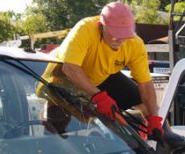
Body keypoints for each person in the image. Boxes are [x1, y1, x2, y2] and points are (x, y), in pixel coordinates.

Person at [49, 2, 175, 143]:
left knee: (149, 107)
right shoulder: (85, 29)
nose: (118, 40)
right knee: (56, 125)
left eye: (123, 35)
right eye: (114, 34)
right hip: (63, 77)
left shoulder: (135, 44)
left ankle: (164, 138)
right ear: (101, 25)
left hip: (102, 76)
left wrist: (154, 119)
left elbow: (145, 84)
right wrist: (99, 97)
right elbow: (70, 68)